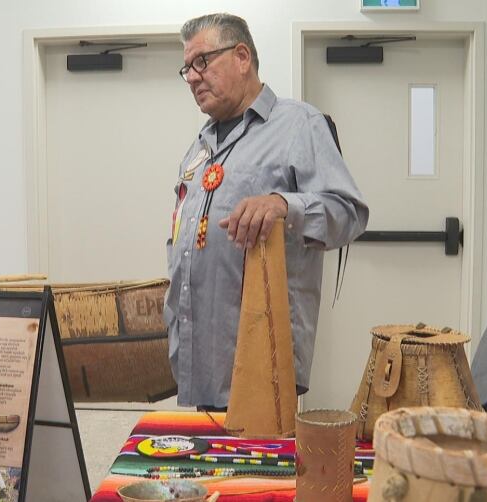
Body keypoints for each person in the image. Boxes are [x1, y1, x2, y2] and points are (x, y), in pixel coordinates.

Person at [165, 13, 369, 410]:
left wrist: (284, 205)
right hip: (196, 359)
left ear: (242, 56)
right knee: (207, 471)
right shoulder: (199, 147)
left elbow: (349, 212)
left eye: (202, 62)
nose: (192, 77)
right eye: (187, 68)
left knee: (255, 473)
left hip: (262, 363)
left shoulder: (299, 125)